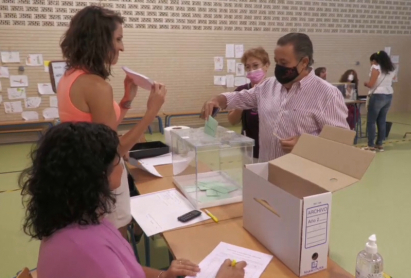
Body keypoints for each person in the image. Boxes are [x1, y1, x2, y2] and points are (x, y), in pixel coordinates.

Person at [20, 122, 247, 278]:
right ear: (100, 177)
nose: (123, 166)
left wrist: (161, 274)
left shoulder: (82, 218)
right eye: (118, 162)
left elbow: (129, 269)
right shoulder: (86, 248)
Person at [57, 6, 166, 238]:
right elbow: (113, 150)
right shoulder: (97, 86)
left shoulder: (70, 77)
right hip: (103, 181)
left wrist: (126, 100)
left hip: (83, 174)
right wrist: (151, 112)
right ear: (100, 40)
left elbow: (102, 129)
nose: (122, 47)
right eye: (118, 39)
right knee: (117, 246)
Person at [201, 33, 349, 162]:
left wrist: (307, 144)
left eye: (284, 63)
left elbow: (342, 142)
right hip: (267, 170)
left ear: (304, 62)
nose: (278, 67)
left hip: (303, 178)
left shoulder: (327, 94)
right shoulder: (269, 85)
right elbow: (241, 97)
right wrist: (219, 100)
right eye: (277, 61)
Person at [227, 47, 270, 161]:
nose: (252, 70)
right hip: (249, 148)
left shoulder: (275, 89)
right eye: (248, 67)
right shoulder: (241, 91)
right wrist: (244, 101)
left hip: (271, 149)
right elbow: (232, 121)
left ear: (266, 65)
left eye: (256, 66)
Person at [363, 51, 396, 152]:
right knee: (382, 120)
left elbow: (371, 84)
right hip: (389, 94)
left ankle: (371, 145)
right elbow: (392, 79)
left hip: (378, 94)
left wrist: (366, 83)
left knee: (371, 121)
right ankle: (379, 144)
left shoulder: (375, 68)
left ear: (374, 60)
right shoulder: (392, 68)